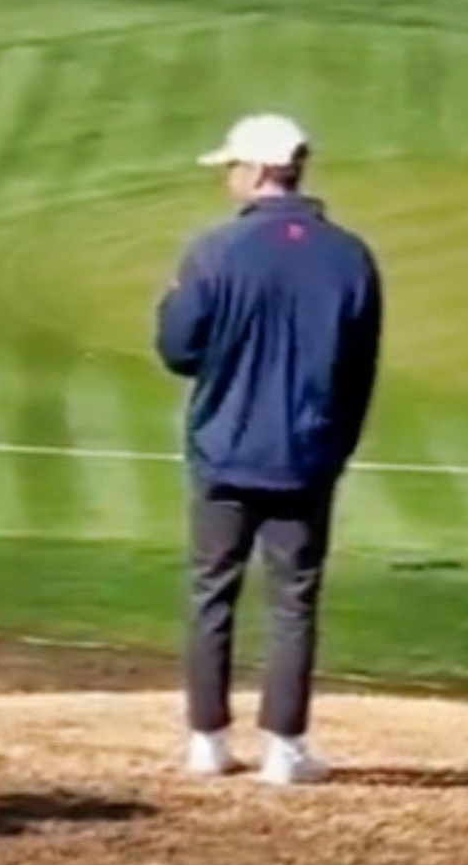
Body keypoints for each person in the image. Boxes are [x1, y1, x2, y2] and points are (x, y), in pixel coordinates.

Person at [154, 113, 382, 786]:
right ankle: (285, 749)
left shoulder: (213, 251)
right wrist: (334, 448)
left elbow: (177, 349)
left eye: (233, 166)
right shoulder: (350, 256)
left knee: (210, 590)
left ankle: (207, 741)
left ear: (257, 173)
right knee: (293, 600)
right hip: (306, 455)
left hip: (222, 448)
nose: (229, 176)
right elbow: (358, 370)